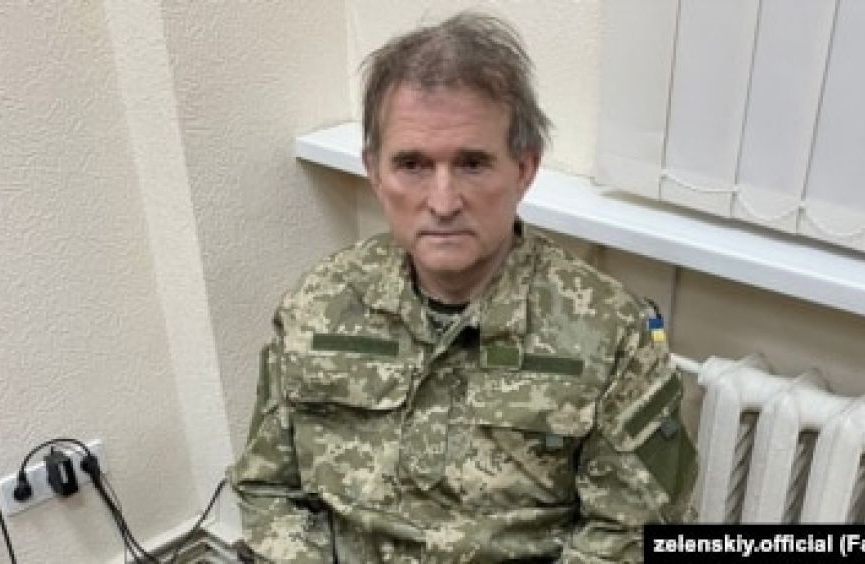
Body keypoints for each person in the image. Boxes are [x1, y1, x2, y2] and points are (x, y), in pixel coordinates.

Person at [230, 12, 696, 563]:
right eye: (412, 165)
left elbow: (631, 535)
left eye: (473, 164)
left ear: (524, 168)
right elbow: (269, 489)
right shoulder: (317, 306)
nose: (443, 202)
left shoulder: (611, 333)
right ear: (374, 172)